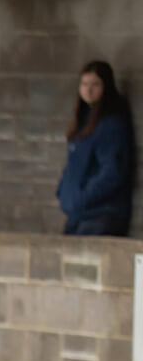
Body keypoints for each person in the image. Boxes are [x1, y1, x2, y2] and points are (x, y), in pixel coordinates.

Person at [57, 60, 134, 237]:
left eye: (95, 84)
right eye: (84, 84)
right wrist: (63, 192)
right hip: (79, 213)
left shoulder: (111, 124)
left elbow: (112, 172)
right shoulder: (83, 122)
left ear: (106, 86)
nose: (88, 90)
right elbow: (73, 165)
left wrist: (82, 198)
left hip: (101, 214)